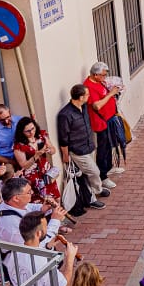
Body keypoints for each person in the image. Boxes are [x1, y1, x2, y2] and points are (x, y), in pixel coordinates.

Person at [56, 85, 100, 214]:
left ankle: (88, 195)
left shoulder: (84, 107)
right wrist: (65, 155)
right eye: (87, 95)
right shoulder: (65, 114)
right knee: (94, 172)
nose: (88, 97)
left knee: (87, 174)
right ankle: (95, 194)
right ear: (81, 97)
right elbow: (63, 137)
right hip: (78, 150)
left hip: (89, 146)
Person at [82, 63, 124, 185]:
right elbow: (97, 105)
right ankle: (103, 175)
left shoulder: (99, 82)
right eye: (103, 75)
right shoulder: (89, 87)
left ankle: (109, 167)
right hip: (101, 122)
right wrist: (111, 94)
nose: (105, 77)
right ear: (95, 75)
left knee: (110, 144)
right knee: (103, 148)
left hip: (109, 119)